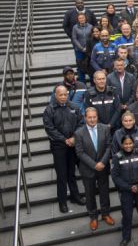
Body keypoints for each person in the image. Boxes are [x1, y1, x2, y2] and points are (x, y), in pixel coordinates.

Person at [43, 85, 85, 213]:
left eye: (65, 95)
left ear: (68, 95)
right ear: (55, 95)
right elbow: (49, 128)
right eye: (60, 95)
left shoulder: (74, 107)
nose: (63, 97)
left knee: (71, 173)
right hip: (58, 146)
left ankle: (75, 196)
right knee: (61, 175)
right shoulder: (49, 110)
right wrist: (64, 139)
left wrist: (73, 137)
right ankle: (62, 202)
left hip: (72, 144)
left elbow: (81, 123)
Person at [74, 107, 115, 231]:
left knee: (104, 191)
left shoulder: (105, 128)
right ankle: (93, 217)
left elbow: (109, 146)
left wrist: (102, 162)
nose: (92, 119)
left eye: (94, 117)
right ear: (85, 118)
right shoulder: (79, 133)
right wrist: (94, 164)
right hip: (88, 169)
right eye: (89, 117)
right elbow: (80, 153)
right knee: (89, 193)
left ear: (97, 117)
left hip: (103, 167)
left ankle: (106, 214)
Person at [111, 134, 138, 246]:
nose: (128, 145)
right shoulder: (117, 157)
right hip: (126, 190)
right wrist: (129, 187)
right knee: (127, 215)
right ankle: (126, 237)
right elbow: (115, 176)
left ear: (133, 143)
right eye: (126, 143)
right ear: (122, 144)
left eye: (130, 143)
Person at [71, 13, 93, 82]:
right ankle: (82, 82)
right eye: (80, 18)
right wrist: (81, 48)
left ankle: (92, 81)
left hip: (89, 50)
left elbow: (92, 37)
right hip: (79, 50)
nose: (81, 19)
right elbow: (74, 38)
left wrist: (87, 48)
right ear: (78, 19)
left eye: (83, 18)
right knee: (80, 66)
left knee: (90, 65)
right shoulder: (75, 27)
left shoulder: (90, 26)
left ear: (85, 18)